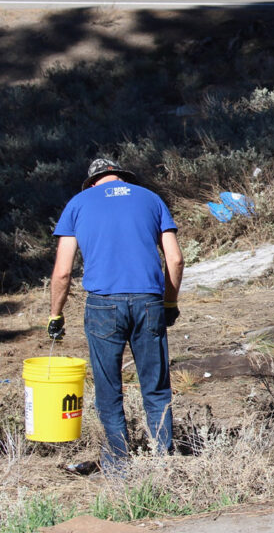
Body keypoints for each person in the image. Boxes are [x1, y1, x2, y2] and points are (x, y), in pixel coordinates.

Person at [48, 158, 185, 472]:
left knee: (108, 387)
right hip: (149, 301)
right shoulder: (151, 199)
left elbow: (62, 273)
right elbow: (175, 260)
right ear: (123, 178)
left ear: (93, 181)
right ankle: (163, 462)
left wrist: (56, 315)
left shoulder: (78, 203)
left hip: (103, 305)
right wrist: (169, 303)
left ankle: (119, 465)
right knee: (156, 385)